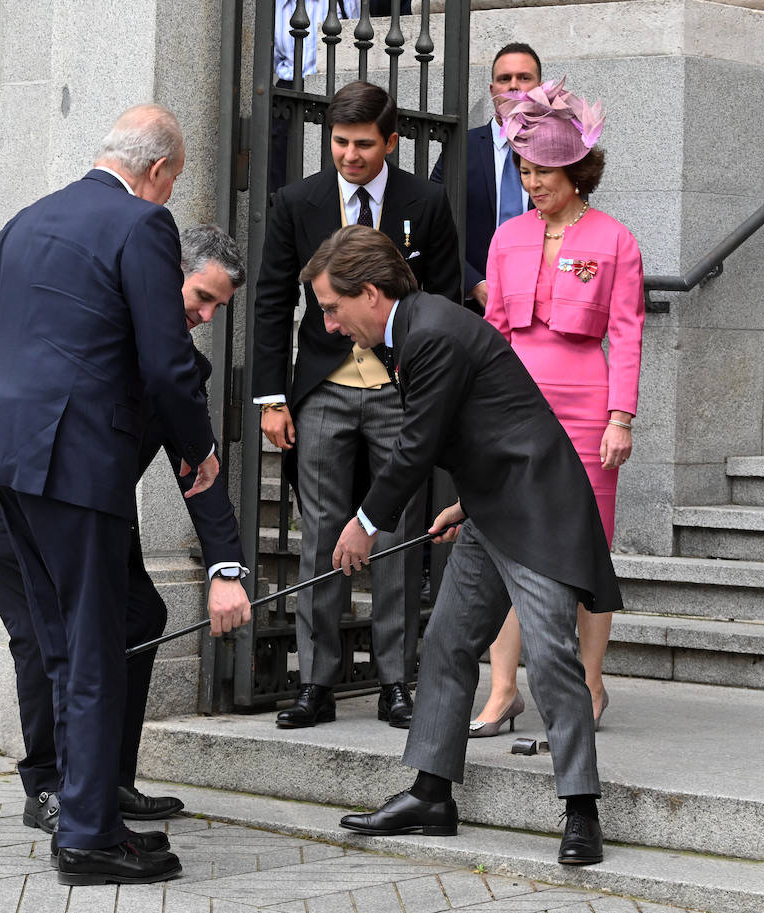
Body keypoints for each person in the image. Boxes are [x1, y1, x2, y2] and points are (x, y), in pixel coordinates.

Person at [0, 104, 246, 886]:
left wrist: (21, 381)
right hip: (78, 461)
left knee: (61, 639)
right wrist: (200, 452)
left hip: (6, 455)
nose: (167, 196)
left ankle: (78, 809)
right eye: (172, 183)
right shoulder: (145, 227)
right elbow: (165, 362)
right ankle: (87, 837)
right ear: (159, 172)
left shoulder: (32, 217)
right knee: (94, 641)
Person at [0, 225, 252, 836]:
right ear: (168, 276)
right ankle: (51, 787)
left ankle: (105, 779)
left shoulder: (180, 366)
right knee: (40, 627)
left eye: (218, 307)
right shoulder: (95, 318)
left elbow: (200, 466)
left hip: (86, 496)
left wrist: (226, 569)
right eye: (201, 297)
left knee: (139, 615)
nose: (207, 315)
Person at [309, 224, 619, 866]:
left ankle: (582, 809)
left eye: (333, 309)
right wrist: (466, 500)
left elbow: (417, 444)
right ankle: (430, 795)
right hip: (490, 504)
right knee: (447, 643)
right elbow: (480, 421)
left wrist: (364, 523)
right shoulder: (414, 329)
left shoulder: (430, 332)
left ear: (369, 293)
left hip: (535, 508)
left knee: (553, 655)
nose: (332, 326)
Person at [252, 80, 461, 731]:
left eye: (363, 144)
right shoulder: (298, 201)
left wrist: (430, 388)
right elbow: (271, 298)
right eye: (340, 142)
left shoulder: (425, 202)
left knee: (394, 530)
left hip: (400, 390)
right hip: (323, 390)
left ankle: (395, 679)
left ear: (390, 140)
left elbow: (445, 298)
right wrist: (270, 397)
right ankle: (315, 679)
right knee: (320, 533)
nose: (349, 155)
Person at [472, 78, 644, 736]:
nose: (532, 179)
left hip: (588, 409)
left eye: (543, 169)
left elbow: (626, 332)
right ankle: (503, 688)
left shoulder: (615, 239)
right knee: (513, 543)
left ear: (575, 168)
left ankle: (591, 683)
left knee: (587, 547)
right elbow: (492, 334)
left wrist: (620, 416)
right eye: (524, 167)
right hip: (518, 411)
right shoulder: (508, 237)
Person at [430, 42, 543, 313]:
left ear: (540, 89)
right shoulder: (461, 149)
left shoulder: (560, 150)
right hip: (473, 307)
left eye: (524, 78)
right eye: (505, 79)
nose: (514, 86)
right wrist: (474, 283)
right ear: (493, 91)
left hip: (543, 304)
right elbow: (434, 222)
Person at [271, 0, 361, 195]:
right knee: (282, 170)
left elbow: (356, 40)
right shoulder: (277, 4)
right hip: (287, 90)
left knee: (328, 165)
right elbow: (274, 56)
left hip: (333, 87)